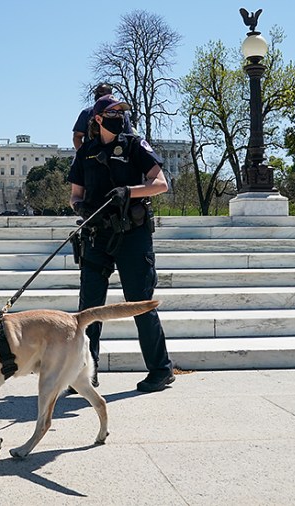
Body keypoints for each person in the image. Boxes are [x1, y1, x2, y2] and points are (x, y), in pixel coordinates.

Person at [67, 94, 174, 393]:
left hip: (132, 235)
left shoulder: (135, 145)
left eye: (122, 112)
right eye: (113, 112)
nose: (120, 116)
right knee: (89, 310)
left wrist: (130, 191)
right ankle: (87, 372)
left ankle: (161, 370)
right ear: (99, 118)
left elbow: (160, 183)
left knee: (140, 304)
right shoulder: (85, 152)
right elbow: (75, 194)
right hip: (97, 236)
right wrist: (80, 208)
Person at [72, 83, 132, 150]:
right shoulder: (86, 113)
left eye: (101, 92)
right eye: (96, 93)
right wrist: (83, 156)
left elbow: (129, 136)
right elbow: (77, 136)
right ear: (97, 118)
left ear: (110, 94)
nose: (98, 95)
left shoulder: (124, 115)